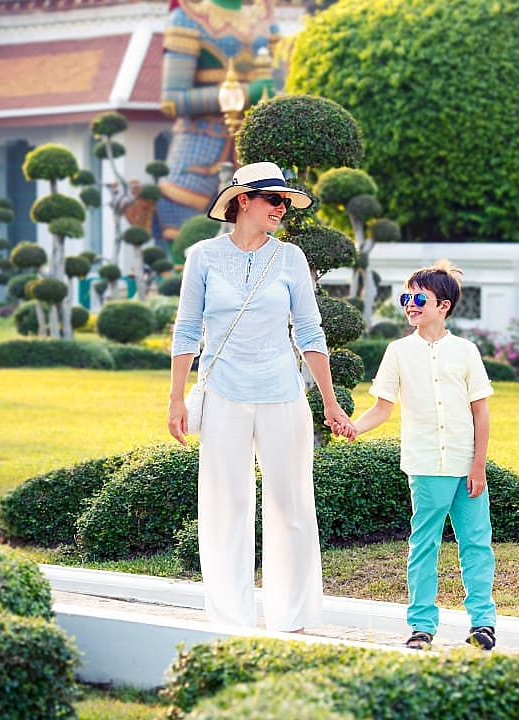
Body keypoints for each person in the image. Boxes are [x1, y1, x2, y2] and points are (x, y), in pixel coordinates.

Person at [167, 161, 354, 633]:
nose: (282, 209)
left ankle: (290, 616)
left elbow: (310, 331)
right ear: (243, 200)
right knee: (225, 505)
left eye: (286, 202)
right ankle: (233, 617)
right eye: (274, 199)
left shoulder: (290, 258)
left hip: (281, 394)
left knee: (290, 504)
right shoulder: (202, 257)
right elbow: (187, 329)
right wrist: (174, 398)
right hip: (223, 392)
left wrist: (329, 402)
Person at [347, 260, 497, 651]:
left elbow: (480, 411)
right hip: (426, 464)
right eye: (405, 298)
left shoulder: (465, 352)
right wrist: (353, 427)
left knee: (476, 543)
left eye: (418, 298)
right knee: (424, 544)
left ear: (442, 305)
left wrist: (478, 465)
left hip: (466, 464)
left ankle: (483, 623)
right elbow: (382, 407)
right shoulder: (397, 352)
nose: (409, 305)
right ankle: (421, 627)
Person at [156, 0, 281, 240]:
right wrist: (245, 94)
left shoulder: (265, 21)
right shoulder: (188, 18)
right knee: (176, 209)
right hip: (201, 139)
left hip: (256, 138)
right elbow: (172, 100)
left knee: (278, 207)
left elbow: (277, 86)